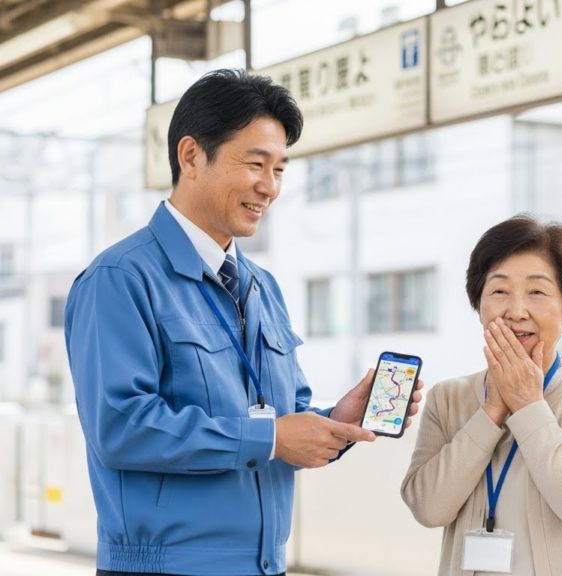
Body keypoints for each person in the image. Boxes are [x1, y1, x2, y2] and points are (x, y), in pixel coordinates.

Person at [64, 69, 422, 576]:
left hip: (264, 565)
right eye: (255, 163)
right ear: (191, 156)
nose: (269, 187)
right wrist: (272, 438)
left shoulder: (263, 287)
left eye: (279, 169)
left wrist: (335, 420)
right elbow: (120, 427)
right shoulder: (119, 279)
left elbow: (280, 419)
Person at [402, 216, 562, 576]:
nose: (516, 311)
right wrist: (492, 411)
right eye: (499, 291)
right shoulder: (447, 398)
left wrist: (527, 404)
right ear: (479, 306)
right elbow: (428, 508)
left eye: (537, 292)